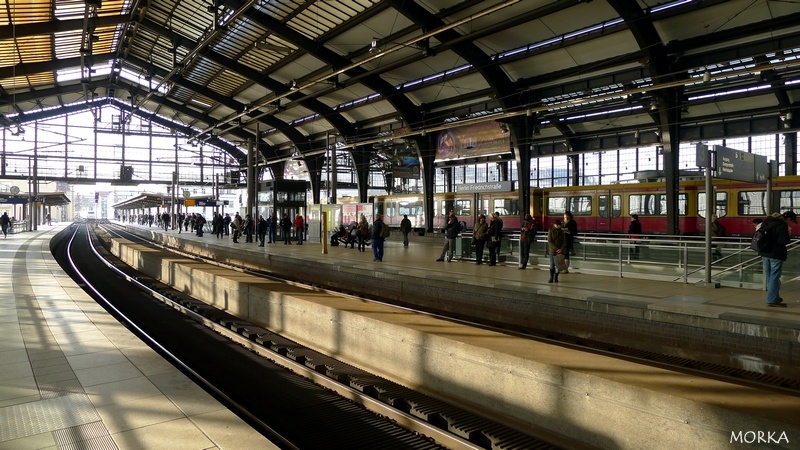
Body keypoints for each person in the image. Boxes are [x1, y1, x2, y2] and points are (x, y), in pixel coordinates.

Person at [759, 211, 795, 307]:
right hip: (775, 254)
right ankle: (772, 300)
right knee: (774, 277)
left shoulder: (766, 222)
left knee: (770, 276)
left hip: (764, 252)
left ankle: (774, 296)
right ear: (788, 219)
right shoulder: (782, 225)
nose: (791, 223)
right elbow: (783, 241)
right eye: (791, 221)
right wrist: (788, 234)